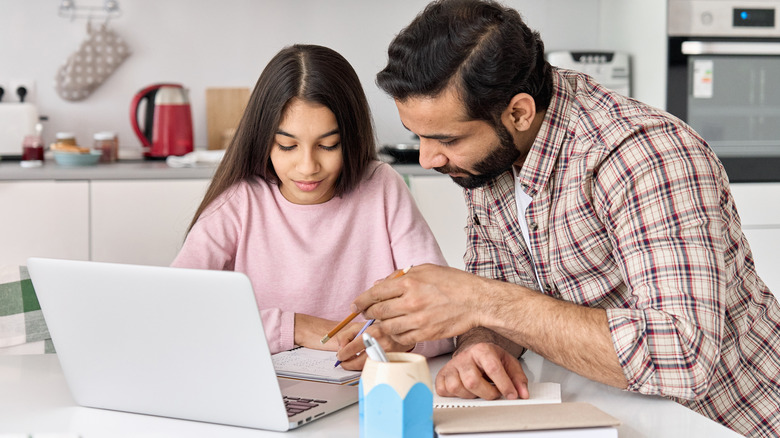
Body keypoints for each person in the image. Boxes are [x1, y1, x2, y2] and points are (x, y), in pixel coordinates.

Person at [346, 1, 780, 435]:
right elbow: (507, 301)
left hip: (727, 423)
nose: (427, 157)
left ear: (519, 112)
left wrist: (478, 300)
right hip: (606, 415)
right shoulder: (491, 160)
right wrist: (481, 347)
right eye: (418, 135)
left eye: (447, 138)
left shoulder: (645, 156)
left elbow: (682, 358)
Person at [172, 44, 453, 367]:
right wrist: (294, 327)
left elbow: (446, 315)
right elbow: (176, 310)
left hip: (365, 387)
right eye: (287, 145)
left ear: (351, 138)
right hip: (268, 390)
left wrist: (402, 340)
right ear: (263, 140)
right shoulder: (241, 202)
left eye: (328, 145)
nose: (307, 167)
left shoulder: (381, 186)